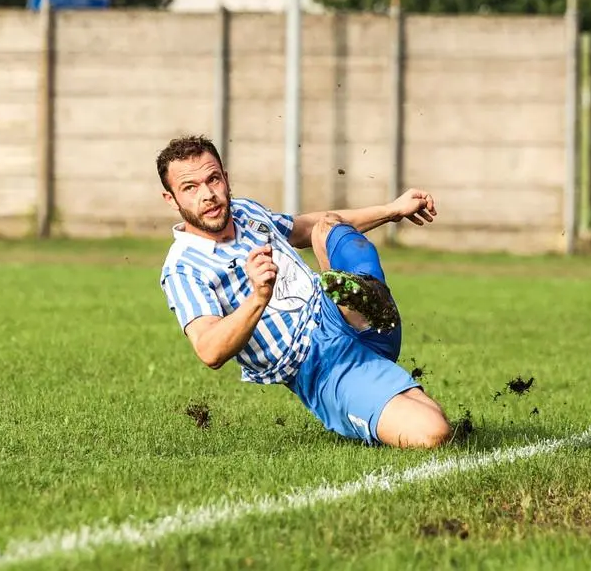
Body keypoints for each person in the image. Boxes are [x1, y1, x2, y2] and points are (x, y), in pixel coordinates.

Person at [157, 135, 453, 449]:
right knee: (434, 429)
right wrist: (258, 297)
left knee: (326, 227)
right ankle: (360, 308)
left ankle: (362, 302)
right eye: (190, 188)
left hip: (335, 314)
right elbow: (209, 349)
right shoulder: (183, 269)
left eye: (213, 179)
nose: (208, 195)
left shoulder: (245, 212)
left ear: (226, 179)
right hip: (318, 365)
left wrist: (393, 210)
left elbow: (304, 228)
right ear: (171, 199)